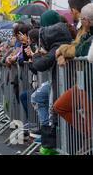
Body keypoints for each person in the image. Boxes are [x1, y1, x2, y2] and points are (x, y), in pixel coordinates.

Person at [31, 10, 73, 155]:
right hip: (57, 82)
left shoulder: (57, 44)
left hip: (63, 84)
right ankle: (48, 140)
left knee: (53, 110)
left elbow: (40, 65)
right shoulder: (58, 42)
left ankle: (52, 144)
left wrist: (35, 55)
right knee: (38, 97)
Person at [53, 3, 93, 132]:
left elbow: (79, 51)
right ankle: (88, 135)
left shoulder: (88, 34)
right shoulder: (87, 33)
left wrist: (61, 50)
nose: (80, 21)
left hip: (88, 83)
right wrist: (63, 53)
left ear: (87, 21)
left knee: (89, 116)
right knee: (60, 106)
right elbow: (78, 48)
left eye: (82, 19)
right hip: (84, 82)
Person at [56, 0, 91, 65]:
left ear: (74, 10)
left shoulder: (86, 27)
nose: (69, 11)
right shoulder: (81, 26)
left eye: (69, 8)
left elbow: (79, 48)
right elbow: (77, 46)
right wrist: (64, 55)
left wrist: (61, 49)